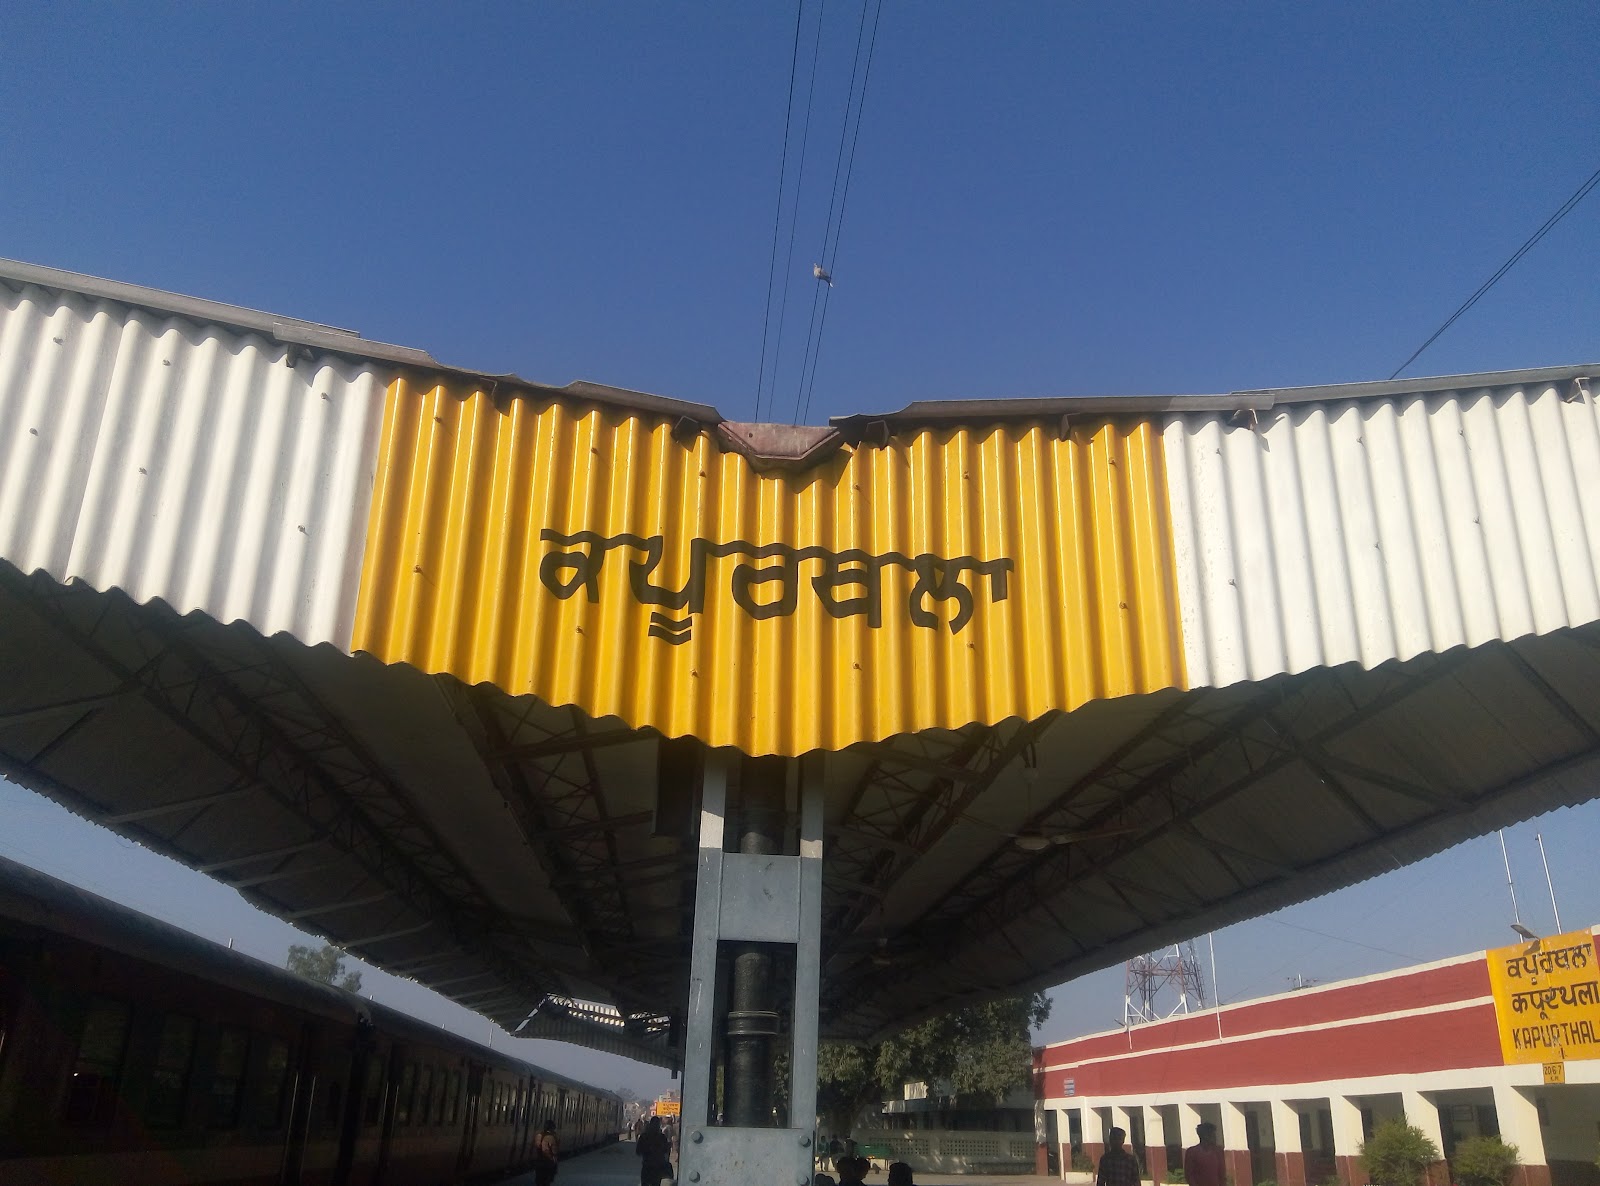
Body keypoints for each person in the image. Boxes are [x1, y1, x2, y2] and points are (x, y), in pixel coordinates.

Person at [638, 1115, 673, 1186]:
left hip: (646, 1166)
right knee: (656, 1183)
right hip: (658, 1167)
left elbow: (638, 1151)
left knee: (645, 1183)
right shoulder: (662, 1137)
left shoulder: (644, 1136)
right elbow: (666, 1150)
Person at [533, 1119, 561, 1186]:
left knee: (539, 1181)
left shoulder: (539, 1135)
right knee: (546, 1181)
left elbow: (537, 1147)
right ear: (552, 1128)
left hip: (539, 1162)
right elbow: (554, 1151)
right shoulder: (552, 1137)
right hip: (548, 1163)